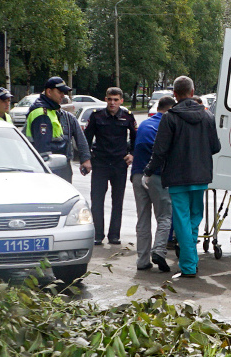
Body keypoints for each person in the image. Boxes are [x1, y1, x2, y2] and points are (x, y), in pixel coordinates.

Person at [144, 75, 219, 280]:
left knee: (183, 220)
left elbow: (160, 150)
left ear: (175, 95)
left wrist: (149, 171)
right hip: (201, 176)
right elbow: (216, 147)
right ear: (193, 93)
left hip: (177, 178)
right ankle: (191, 260)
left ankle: (188, 266)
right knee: (194, 217)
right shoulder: (208, 117)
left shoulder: (170, 118)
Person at [84, 87, 136, 246]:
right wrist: (86, 159)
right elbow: (86, 139)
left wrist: (132, 154)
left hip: (119, 164)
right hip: (100, 162)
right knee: (97, 200)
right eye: (109, 99)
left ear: (121, 100)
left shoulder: (127, 117)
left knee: (118, 200)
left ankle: (114, 235)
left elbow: (136, 139)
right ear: (105, 99)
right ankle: (97, 235)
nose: (112, 103)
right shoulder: (96, 116)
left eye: (116, 100)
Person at [132, 95, 177, 272]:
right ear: (170, 110)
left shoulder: (144, 124)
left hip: (137, 175)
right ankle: (159, 250)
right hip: (158, 176)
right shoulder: (168, 125)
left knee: (142, 218)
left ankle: (142, 261)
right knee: (164, 216)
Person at [26, 76, 91, 182]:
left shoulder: (53, 111)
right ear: (49, 92)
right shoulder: (42, 113)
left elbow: (80, 138)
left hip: (58, 165)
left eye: (64, 92)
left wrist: (85, 158)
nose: (63, 96)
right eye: (60, 92)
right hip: (50, 167)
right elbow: (43, 148)